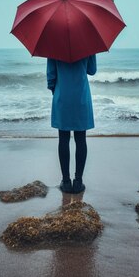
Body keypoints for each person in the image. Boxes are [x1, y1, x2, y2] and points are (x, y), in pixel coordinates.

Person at [46, 54, 97, 194]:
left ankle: (66, 182)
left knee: (63, 139)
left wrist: (55, 91)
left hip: (62, 96)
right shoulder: (88, 43)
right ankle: (78, 181)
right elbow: (92, 70)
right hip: (81, 97)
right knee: (81, 140)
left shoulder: (53, 45)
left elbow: (51, 77)